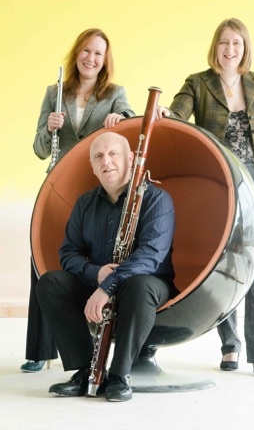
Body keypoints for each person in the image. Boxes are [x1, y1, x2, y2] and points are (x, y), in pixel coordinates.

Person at [157, 17, 254, 378]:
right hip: (223, 184)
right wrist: (167, 113)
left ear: (245, 48)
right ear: (215, 46)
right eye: (224, 43)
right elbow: (178, 111)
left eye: (237, 44)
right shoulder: (198, 83)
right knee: (226, 268)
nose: (230, 50)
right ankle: (230, 347)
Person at [21, 28, 135, 373]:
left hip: (92, 189)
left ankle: (90, 345)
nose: (91, 58)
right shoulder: (55, 93)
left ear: (105, 61)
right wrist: (50, 129)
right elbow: (40, 150)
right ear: (77, 54)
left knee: (87, 257)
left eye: (98, 54)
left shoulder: (116, 93)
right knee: (42, 260)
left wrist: (120, 119)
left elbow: (131, 124)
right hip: (57, 186)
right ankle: (40, 352)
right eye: (86, 51)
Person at [35, 131, 178, 401]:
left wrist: (107, 286)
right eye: (99, 156)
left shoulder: (156, 199)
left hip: (146, 284)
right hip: (98, 281)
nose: (107, 161)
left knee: (140, 284)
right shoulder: (84, 203)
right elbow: (68, 253)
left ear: (131, 158)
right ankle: (84, 370)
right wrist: (97, 272)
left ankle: (119, 375)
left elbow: (151, 255)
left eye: (114, 154)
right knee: (51, 283)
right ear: (92, 165)